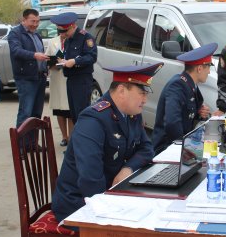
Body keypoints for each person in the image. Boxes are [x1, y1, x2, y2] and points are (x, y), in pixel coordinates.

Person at [52, 62, 164, 224]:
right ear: (121, 91)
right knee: (140, 228)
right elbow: (90, 179)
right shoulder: (93, 120)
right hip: (80, 203)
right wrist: (114, 204)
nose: (145, 100)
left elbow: (147, 148)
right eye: (142, 93)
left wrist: (127, 168)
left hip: (112, 192)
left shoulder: (131, 113)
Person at [152, 43, 217, 155]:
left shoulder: (190, 84)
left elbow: (186, 113)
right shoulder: (177, 86)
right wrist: (185, 151)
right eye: (208, 67)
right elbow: (172, 123)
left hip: (182, 145)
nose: (209, 72)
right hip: (167, 149)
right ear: (200, 68)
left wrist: (198, 112)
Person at [50, 12, 98, 123]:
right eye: (59, 32)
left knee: (81, 112)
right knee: (74, 114)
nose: (62, 35)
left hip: (82, 80)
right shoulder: (68, 39)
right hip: (70, 79)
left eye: (64, 31)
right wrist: (59, 60)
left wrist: (75, 61)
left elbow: (91, 57)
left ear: (72, 26)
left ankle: (82, 138)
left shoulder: (86, 38)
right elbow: (66, 55)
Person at [8, 9, 49, 127]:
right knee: (26, 112)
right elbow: (16, 51)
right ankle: (22, 145)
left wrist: (46, 67)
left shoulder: (36, 34)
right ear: (24, 20)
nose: (35, 24)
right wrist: (34, 55)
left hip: (40, 77)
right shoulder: (15, 33)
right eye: (33, 21)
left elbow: (41, 52)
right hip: (26, 79)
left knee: (36, 114)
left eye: (38, 21)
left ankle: (33, 144)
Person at [45, 35, 73, 146]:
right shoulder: (52, 41)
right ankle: (64, 137)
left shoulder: (73, 41)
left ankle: (71, 138)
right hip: (56, 78)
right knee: (58, 110)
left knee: (70, 110)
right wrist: (52, 64)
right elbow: (47, 58)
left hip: (69, 78)